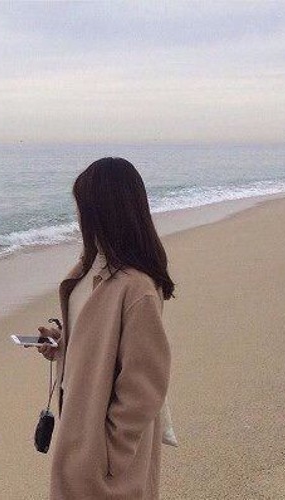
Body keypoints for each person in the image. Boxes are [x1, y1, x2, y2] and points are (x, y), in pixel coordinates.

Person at [36, 157, 175, 499]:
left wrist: (110, 453)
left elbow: (145, 384)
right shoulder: (87, 270)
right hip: (78, 430)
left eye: (83, 205)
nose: (78, 214)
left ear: (104, 209)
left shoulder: (136, 288)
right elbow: (97, 341)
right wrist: (62, 345)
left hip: (104, 458)